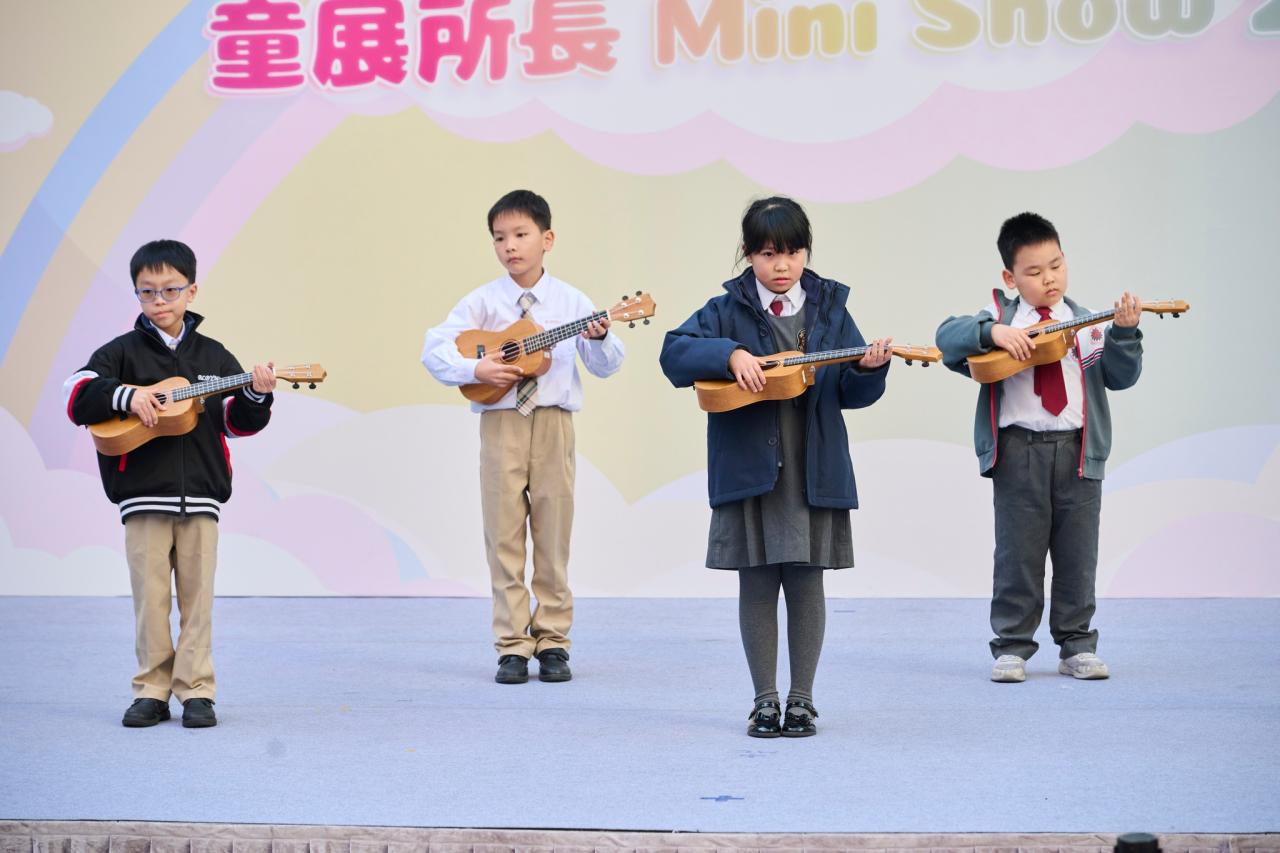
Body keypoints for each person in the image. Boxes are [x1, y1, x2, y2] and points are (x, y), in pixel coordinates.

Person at [659, 196, 891, 737]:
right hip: (750, 471)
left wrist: (869, 370)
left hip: (814, 470)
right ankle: (764, 700)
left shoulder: (830, 309)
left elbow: (851, 393)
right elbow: (674, 353)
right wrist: (729, 354)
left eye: (792, 252)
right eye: (768, 254)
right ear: (748, 254)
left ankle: (802, 699)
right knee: (757, 583)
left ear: (807, 252)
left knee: (807, 583)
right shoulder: (726, 309)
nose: (782, 266)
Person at [64, 239, 275, 727]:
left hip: (201, 493)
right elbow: (76, 393)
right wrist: (125, 397)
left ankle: (197, 690)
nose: (159, 300)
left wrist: (256, 395)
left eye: (170, 290)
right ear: (137, 293)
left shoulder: (215, 355)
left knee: (198, 600)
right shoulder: (120, 352)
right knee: (150, 600)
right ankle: (151, 691)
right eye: (148, 291)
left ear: (191, 291)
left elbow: (234, 422)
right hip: (141, 496)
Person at [421, 190, 626, 684]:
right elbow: (434, 350)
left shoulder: (572, 302)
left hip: (554, 424)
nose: (509, 246)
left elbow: (605, 365)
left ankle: (553, 640)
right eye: (499, 238)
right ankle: (512, 644)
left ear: (547, 239)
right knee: (503, 536)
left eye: (520, 234)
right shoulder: (482, 302)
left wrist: (601, 336)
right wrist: (477, 368)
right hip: (502, 424)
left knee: (553, 535)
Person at [935, 212, 1143, 683]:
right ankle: (1012, 646)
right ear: (1010, 278)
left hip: (1078, 452)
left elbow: (1120, 377)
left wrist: (1125, 333)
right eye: (1033, 271)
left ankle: (1076, 645)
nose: (1049, 278)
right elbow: (947, 337)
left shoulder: (1087, 324)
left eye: (1056, 265)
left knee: (1078, 555)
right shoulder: (1002, 320)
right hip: (1018, 451)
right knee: (1017, 555)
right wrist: (992, 333)